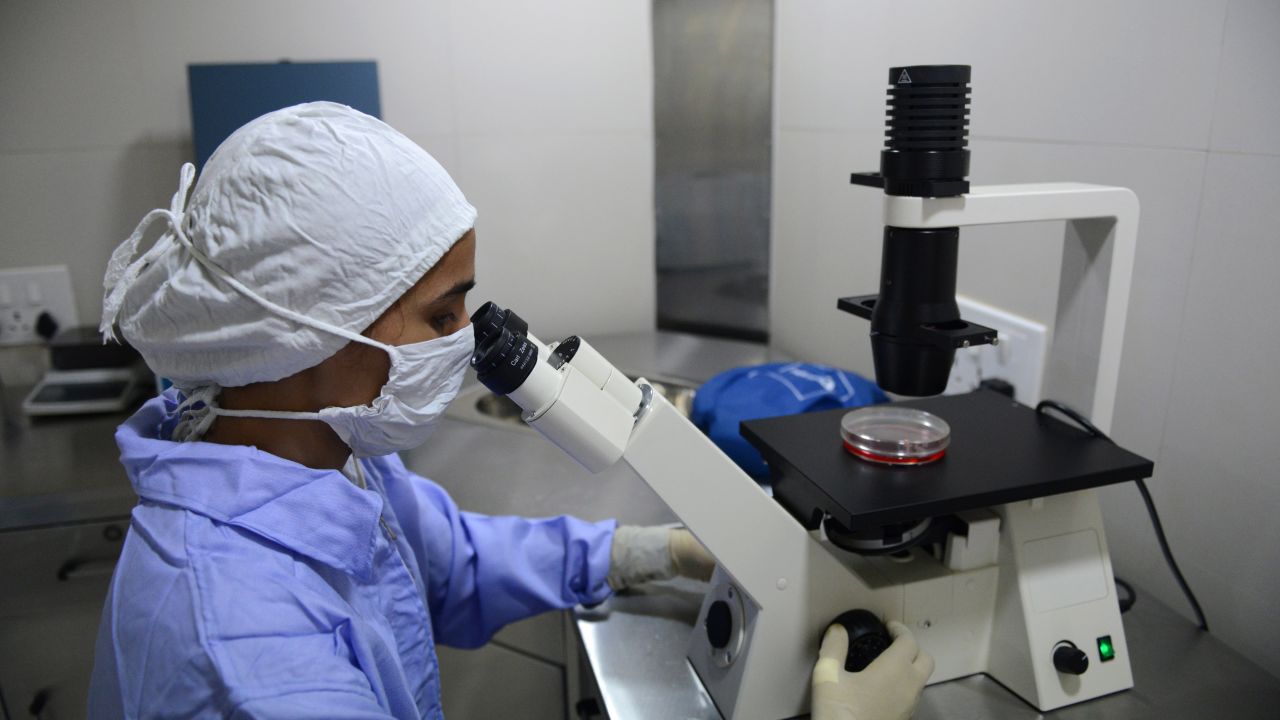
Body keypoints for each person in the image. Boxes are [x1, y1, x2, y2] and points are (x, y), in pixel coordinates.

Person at [88, 102, 931, 719]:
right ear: (310, 336)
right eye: (443, 315)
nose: (464, 341)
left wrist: (653, 551)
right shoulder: (251, 664)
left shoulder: (314, 456)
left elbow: (450, 563)